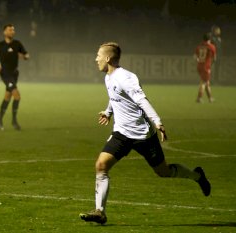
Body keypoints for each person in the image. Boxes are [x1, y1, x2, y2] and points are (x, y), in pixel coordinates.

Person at [79, 42, 211, 225]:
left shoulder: (126, 77)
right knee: (101, 165)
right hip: (122, 133)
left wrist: (157, 121)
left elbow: (141, 99)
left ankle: (197, 176)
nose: (96, 59)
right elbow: (115, 96)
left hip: (143, 135)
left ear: (108, 58)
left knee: (163, 171)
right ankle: (100, 212)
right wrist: (109, 111)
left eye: (98, 55)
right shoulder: (108, 77)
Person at [0, 24, 29, 131]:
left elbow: (26, 54)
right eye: (10, 30)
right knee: (17, 96)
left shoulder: (17, 44)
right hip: (5, 74)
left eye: (13, 30)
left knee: (7, 96)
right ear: (4, 32)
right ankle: (14, 121)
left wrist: (25, 56)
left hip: (15, 74)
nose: (12, 31)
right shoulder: (0, 45)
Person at [194, 33, 216, 103]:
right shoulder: (212, 47)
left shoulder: (199, 46)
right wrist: (210, 64)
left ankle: (210, 98)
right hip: (206, 67)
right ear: (210, 39)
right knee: (204, 83)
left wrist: (198, 60)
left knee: (206, 82)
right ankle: (199, 98)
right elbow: (214, 58)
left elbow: (195, 57)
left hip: (199, 66)